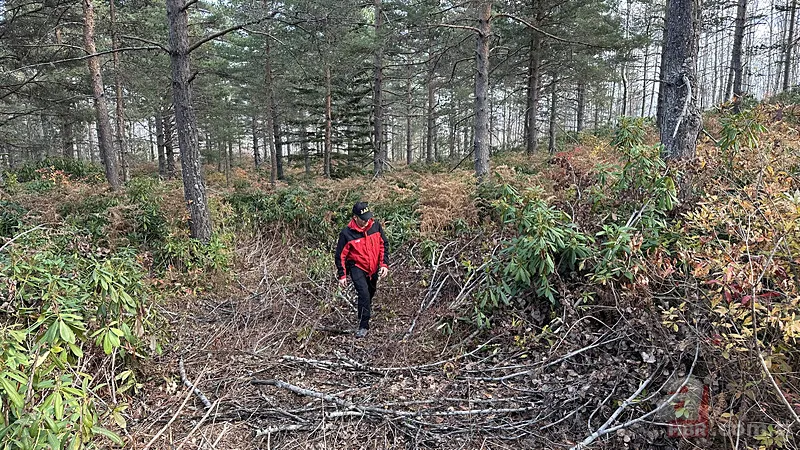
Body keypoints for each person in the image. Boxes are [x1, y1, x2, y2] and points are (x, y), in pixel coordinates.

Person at [335, 201, 390, 338]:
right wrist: (342, 275)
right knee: (364, 294)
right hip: (357, 267)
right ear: (355, 218)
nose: (366, 221)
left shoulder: (375, 226)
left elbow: (384, 245)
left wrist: (384, 264)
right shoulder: (347, 234)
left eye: (368, 217)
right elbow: (340, 256)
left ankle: (364, 310)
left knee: (370, 293)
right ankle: (363, 325)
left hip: (373, 267)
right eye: (363, 219)